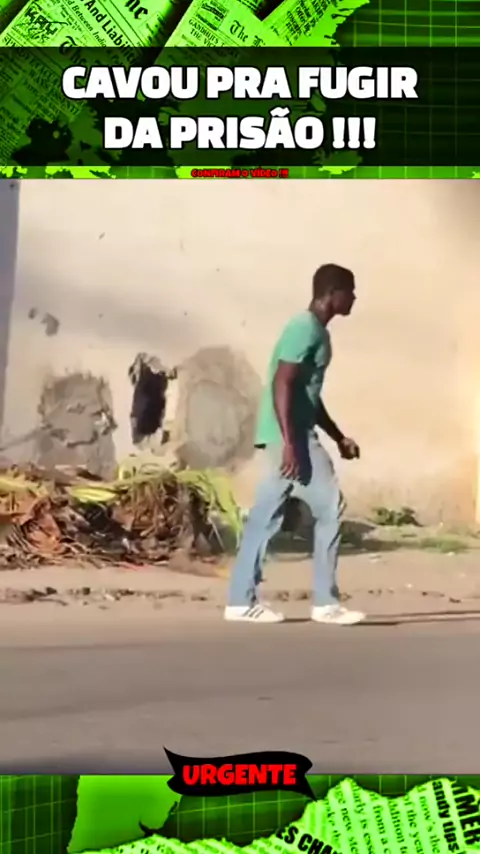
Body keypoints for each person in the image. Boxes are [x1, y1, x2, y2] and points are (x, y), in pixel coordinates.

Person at [224, 263, 365, 625]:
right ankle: (322, 603)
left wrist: (338, 437)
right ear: (333, 293)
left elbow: (307, 396)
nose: (354, 298)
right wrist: (290, 443)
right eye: (350, 291)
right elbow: (282, 382)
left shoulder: (316, 332)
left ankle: (242, 601)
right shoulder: (304, 328)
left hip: (294, 434)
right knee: (325, 508)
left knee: (271, 515)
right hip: (289, 437)